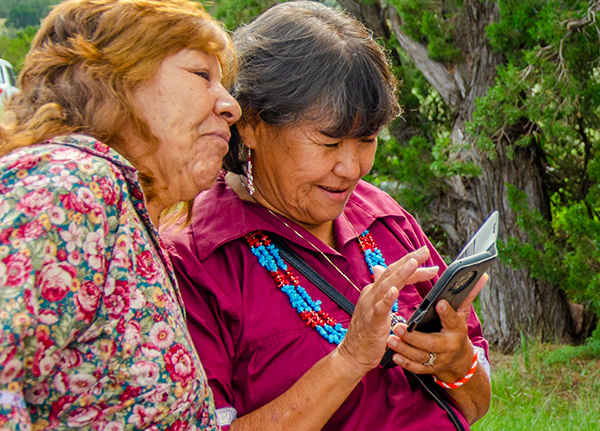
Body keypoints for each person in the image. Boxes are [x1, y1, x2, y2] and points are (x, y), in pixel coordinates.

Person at [162, 1, 491, 430]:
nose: (351, 169)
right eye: (329, 144)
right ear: (252, 125)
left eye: (367, 140)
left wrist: (457, 361)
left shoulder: (380, 215)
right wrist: (350, 358)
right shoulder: (195, 260)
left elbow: (476, 402)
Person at [0, 0, 241, 429]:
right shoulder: (71, 182)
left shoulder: (119, 205)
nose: (230, 106)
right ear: (116, 80)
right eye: (201, 75)